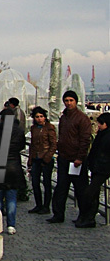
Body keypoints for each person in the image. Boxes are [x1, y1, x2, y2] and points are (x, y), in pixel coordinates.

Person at [47, 90, 92, 224]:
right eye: (66, 101)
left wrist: (80, 157)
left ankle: (84, 216)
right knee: (61, 187)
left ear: (76, 102)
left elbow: (85, 140)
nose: (68, 103)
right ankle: (58, 214)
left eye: (71, 100)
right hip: (64, 157)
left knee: (80, 190)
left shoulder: (82, 118)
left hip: (76, 160)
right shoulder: (64, 117)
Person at [0, 108, 26, 235]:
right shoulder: (19, 131)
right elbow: (22, 146)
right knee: (11, 198)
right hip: (13, 167)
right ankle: (11, 225)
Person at [75, 112, 110, 228]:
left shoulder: (107, 136)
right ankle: (89, 218)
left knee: (89, 193)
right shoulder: (101, 134)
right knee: (93, 194)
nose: (98, 125)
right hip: (97, 167)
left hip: (103, 169)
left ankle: (88, 217)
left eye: (101, 123)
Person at [27, 106, 57, 215]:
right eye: (37, 117)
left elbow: (53, 144)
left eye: (41, 116)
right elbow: (32, 145)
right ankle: (38, 205)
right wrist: (30, 160)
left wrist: (47, 157)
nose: (39, 119)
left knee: (47, 183)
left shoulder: (50, 128)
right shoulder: (34, 128)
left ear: (45, 117)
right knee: (35, 183)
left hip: (46, 158)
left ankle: (46, 206)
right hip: (36, 158)